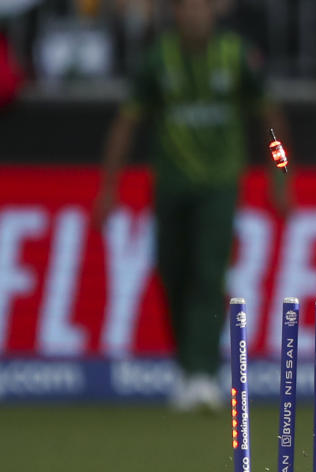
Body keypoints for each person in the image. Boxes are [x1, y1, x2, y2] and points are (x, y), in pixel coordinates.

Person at [94, 0, 291, 411]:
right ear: (175, 14)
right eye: (186, 7)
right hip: (171, 184)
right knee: (172, 272)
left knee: (207, 272)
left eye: (201, 7)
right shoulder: (157, 59)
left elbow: (269, 118)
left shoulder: (236, 55)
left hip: (219, 186)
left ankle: (201, 373)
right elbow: (127, 122)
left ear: (213, 12)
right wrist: (108, 188)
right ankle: (187, 368)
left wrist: (280, 176)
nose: (194, 15)